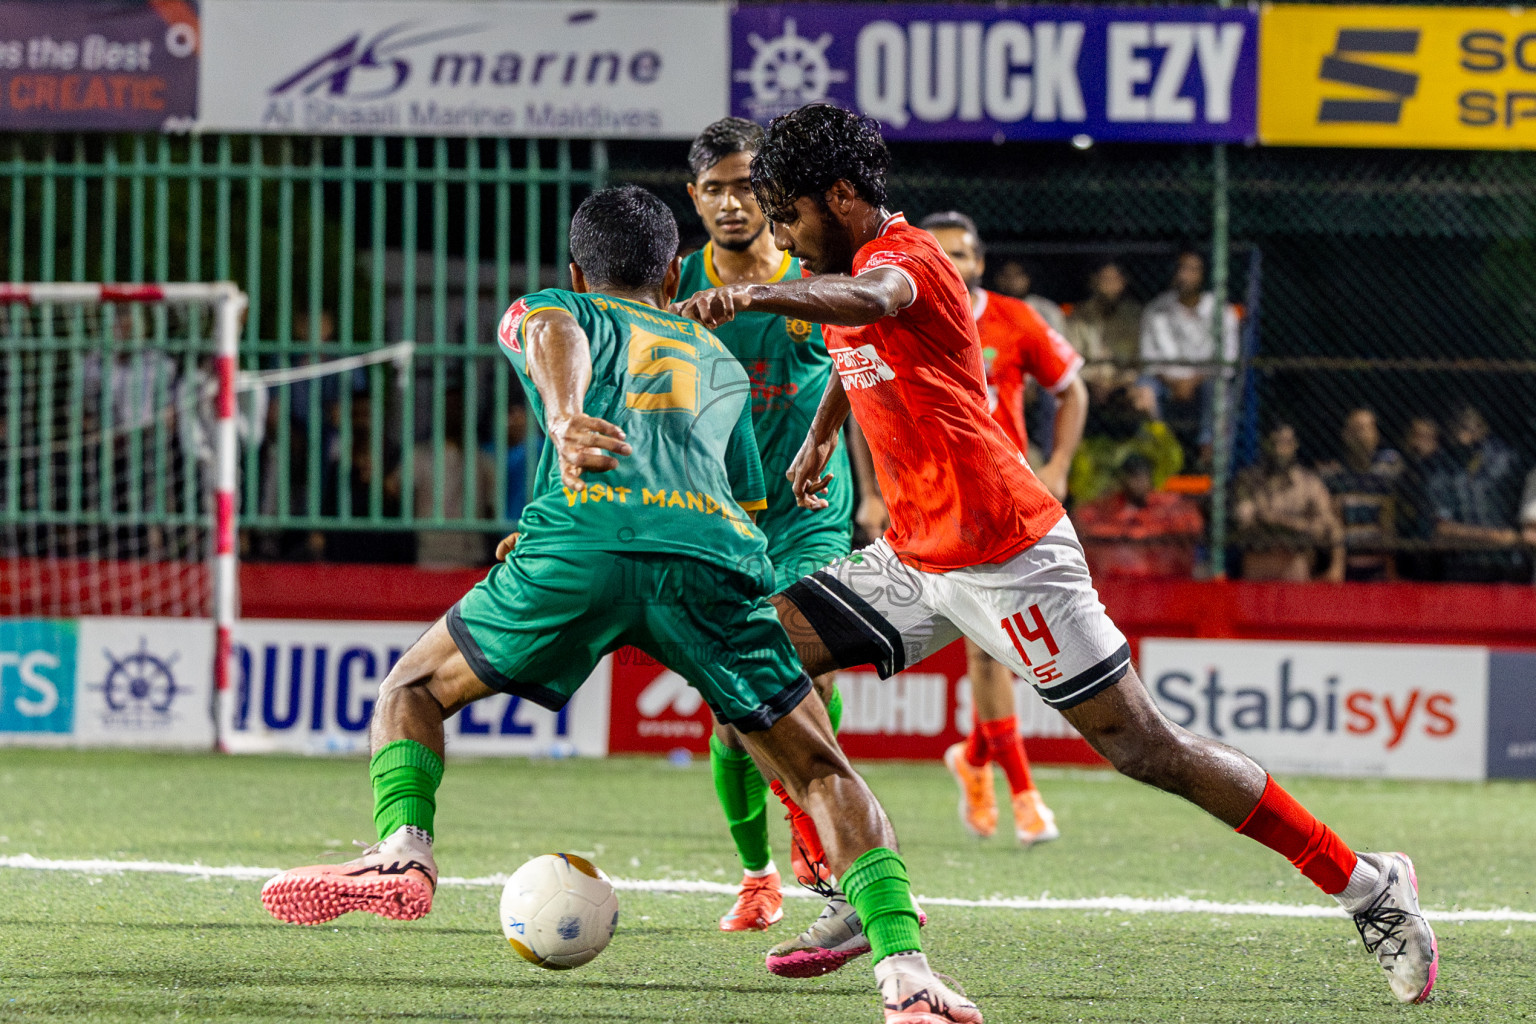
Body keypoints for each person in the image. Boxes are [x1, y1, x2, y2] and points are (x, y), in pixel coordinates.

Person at [674, 104, 1436, 1012]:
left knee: (1146, 746)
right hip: (916, 554)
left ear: (841, 196)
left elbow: (873, 308)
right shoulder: (835, 265)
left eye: (790, 213)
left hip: (1009, 553)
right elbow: (855, 356)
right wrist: (817, 441)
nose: (784, 236)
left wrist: (756, 293)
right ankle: (847, 882)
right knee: (749, 652)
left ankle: (1366, 883)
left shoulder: (903, 261)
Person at [261, 185, 976, 1024]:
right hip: (712, 560)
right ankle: (906, 974)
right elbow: (737, 493)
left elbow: (550, 331)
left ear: (576, 270)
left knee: (411, 691)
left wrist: (565, 420)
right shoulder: (721, 361)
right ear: (674, 274)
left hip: (579, 548)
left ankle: (402, 851)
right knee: (821, 769)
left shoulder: (558, 307)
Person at [678, 117, 857, 933]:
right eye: (714, 187)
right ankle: (757, 876)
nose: (732, 202)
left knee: (805, 669)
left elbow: (867, 373)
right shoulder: (672, 289)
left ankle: (809, 828)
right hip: (721, 525)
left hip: (809, 516)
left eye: (747, 185)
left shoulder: (813, 275)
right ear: (694, 197)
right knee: (728, 708)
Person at [916, 209, 1089, 847]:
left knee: (1014, 645)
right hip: (941, 506)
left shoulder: (1015, 319)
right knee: (992, 646)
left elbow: (1073, 388)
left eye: (963, 255)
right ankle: (1024, 793)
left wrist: (1060, 463)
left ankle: (977, 759)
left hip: (1012, 501)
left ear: (979, 261)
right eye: (942, 255)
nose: (955, 267)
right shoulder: (908, 317)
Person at [1139, 250, 1240, 470]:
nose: (1184, 275)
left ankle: (1209, 457)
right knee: (1142, 391)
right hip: (1164, 382)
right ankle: (1157, 454)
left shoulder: (1222, 311)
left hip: (1205, 382)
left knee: (1220, 390)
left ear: (1203, 275)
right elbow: (1148, 360)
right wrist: (1173, 381)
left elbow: (1228, 362)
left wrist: (1192, 381)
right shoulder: (1156, 309)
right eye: (1180, 269)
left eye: (1191, 269)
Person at [1233, 422, 1343, 582]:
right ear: (1265, 444)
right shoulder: (1248, 480)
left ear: (1295, 445)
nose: (1279, 450)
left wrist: (1336, 568)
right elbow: (1245, 521)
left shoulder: (1309, 483)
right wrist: (1297, 526)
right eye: (1274, 443)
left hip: (1294, 562)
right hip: (1257, 561)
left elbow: (1328, 527)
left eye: (1285, 443)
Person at [1429, 404, 1524, 582]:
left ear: (1484, 429)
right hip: (1462, 565)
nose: (1466, 435)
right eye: (1461, 427)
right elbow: (1442, 530)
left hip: (1504, 563)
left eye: (1473, 427)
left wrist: (1508, 538)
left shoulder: (1504, 460)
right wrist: (1495, 537)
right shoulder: (1443, 470)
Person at [1073, 453, 1204, 579]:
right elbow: (1082, 520)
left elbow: (1193, 523)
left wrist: (1145, 529)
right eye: (1132, 476)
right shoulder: (1108, 506)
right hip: (1115, 580)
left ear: (1150, 477)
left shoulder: (1166, 505)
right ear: (1122, 479)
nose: (1137, 481)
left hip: (1164, 578)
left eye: (1142, 475)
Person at [1317, 408, 1403, 582]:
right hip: (1346, 566)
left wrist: (1390, 571)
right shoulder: (1334, 479)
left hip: (1378, 566)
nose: (1362, 436)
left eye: (1367, 428)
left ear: (1376, 435)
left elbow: (1387, 523)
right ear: (1346, 434)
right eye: (1357, 429)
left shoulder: (1387, 471)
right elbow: (1336, 522)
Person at [1069, 384, 1184, 505]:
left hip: (1102, 426)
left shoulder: (1102, 479)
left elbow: (1080, 486)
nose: (1138, 480)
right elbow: (1173, 457)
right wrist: (1153, 417)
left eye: (1136, 476)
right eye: (1137, 475)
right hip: (1123, 424)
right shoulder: (1156, 464)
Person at [1066, 258, 1144, 398]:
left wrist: (1120, 382)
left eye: (1114, 279)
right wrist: (1092, 380)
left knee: (1143, 394)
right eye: (1105, 279)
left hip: (1125, 384)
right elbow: (1073, 357)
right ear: (1094, 282)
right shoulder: (1080, 315)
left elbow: (1139, 359)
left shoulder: (1134, 316)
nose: (1109, 285)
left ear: (1123, 282)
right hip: (1088, 383)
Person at [1394, 416, 1454, 581]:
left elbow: (1442, 521)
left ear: (1436, 443)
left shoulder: (1442, 476)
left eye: (1426, 437)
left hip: (1433, 555)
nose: (1419, 442)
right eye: (1416, 435)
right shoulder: (1401, 475)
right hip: (1404, 551)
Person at [990, 257, 1066, 334]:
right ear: (998, 279)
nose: (1012, 280)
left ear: (1027, 278)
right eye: (1006, 275)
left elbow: (1060, 342)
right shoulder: (990, 309)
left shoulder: (1046, 310)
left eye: (1017, 275)